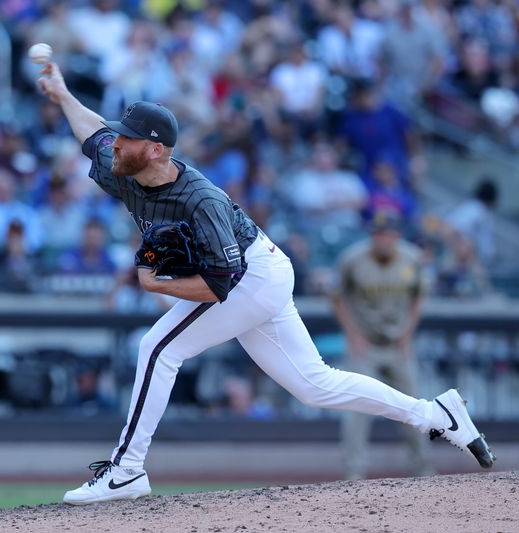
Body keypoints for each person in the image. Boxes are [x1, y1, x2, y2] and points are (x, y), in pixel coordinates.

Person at [36, 62, 495, 506]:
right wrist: (61, 94)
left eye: (127, 137)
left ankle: (127, 469)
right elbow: (91, 131)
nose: (116, 142)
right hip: (260, 272)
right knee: (315, 385)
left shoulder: (201, 201)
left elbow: (219, 288)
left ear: (156, 149)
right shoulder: (127, 166)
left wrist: (158, 286)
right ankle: (435, 414)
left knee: (158, 348)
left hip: (249, 276)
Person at [331, 210, 433, 479]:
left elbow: (419, 296)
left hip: (398, 344)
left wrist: (408, 334)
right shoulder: (353, 259)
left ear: (396, 235)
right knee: (357, 410)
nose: (382, 239)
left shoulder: (412, 258)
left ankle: (423, 470)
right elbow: (336, 296)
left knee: (413, 408)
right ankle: (354, 473)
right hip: (366, 344)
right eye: (377, 233)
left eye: (387, 233)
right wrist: (353, 335)